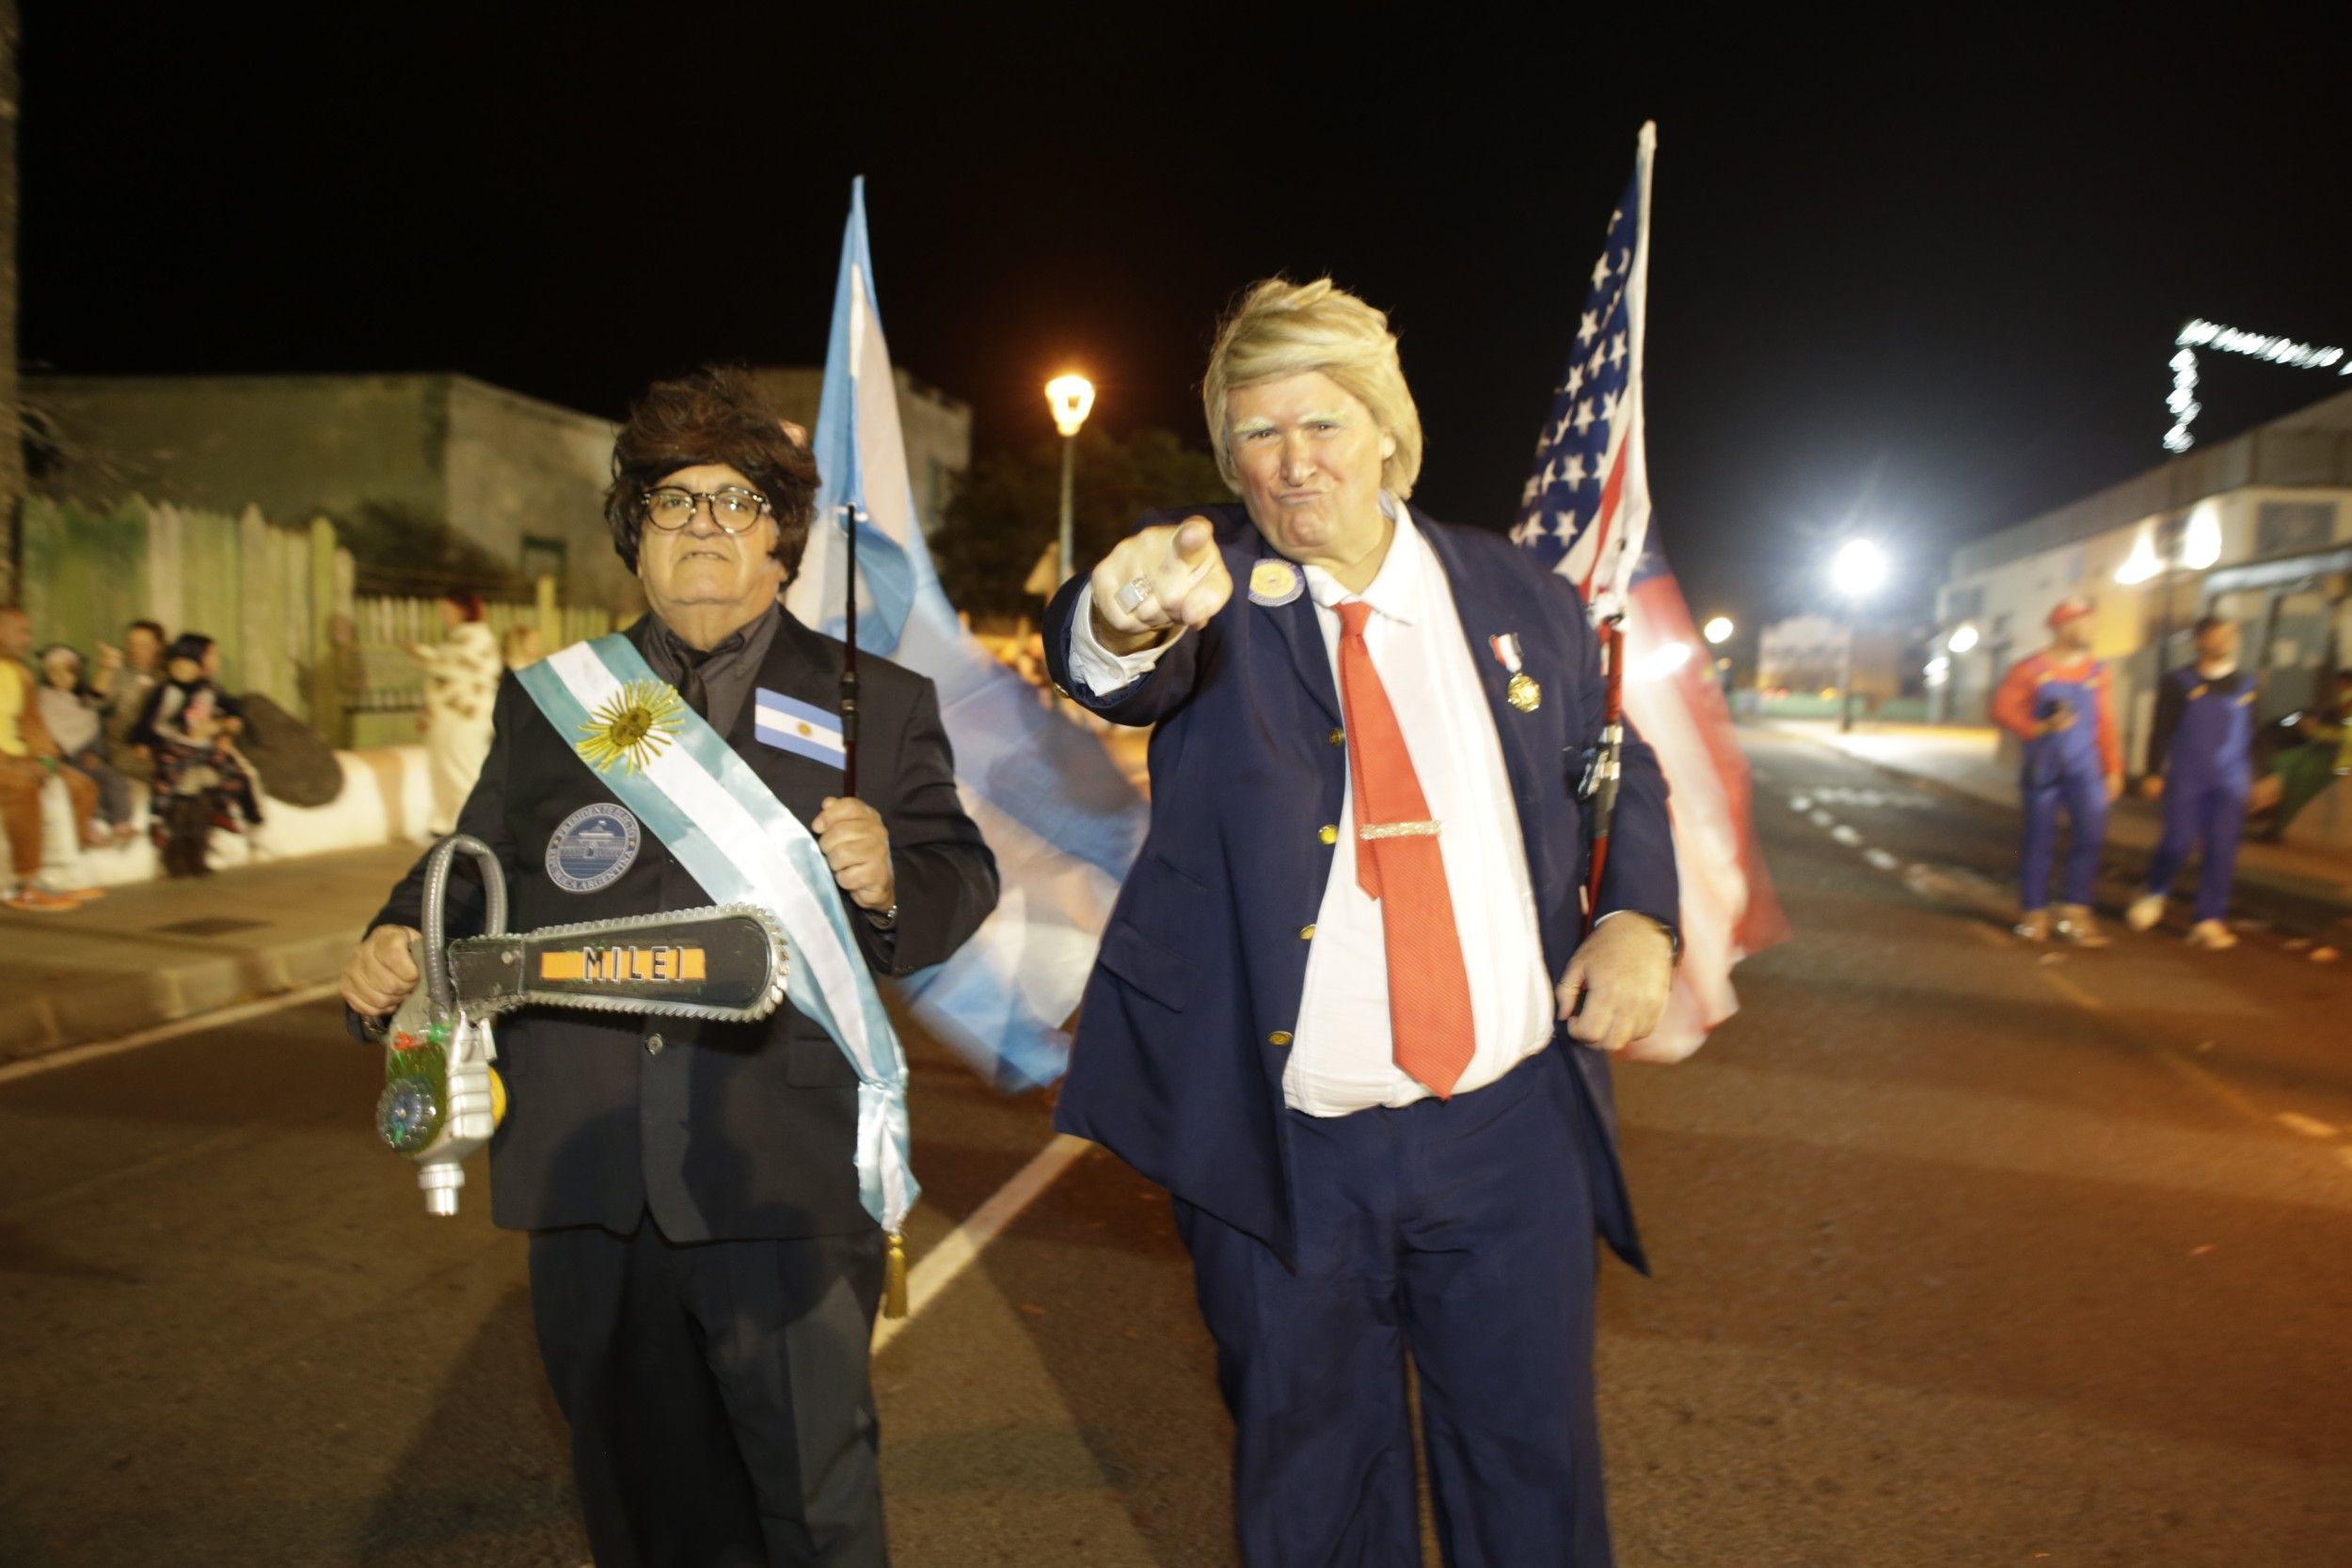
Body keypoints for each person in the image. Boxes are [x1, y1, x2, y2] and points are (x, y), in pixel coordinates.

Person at [1042, 279, 1678, 1567]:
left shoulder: (1519, 595)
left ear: (1386, 428)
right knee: (1314, 1478)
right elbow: (1109, 649)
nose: (1290, 462)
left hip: (1507, 1132)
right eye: (1256, 433)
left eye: (1320, 424)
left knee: (1531, 1467)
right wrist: (1119, 608)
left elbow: (1620, 762)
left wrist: (1634, 918)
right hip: (1285, 1151)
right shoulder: (1210, 583)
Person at [338, 366, 998, 1568]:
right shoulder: (554, 704)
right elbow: (474, 858)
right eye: (671, 503)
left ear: (782, 543)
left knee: (812, 1498)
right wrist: (398, 930)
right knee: (637, 1504)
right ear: (633, 537)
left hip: (778, 1174)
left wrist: (896, 876)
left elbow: (963, 873)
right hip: (588, 1168)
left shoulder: (875, 703)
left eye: (735, 503)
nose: (703, 527)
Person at [1991, 595, 2122, 944]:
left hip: (2086, 768)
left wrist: (2113, 768)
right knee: (2038, 839)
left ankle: (2075, 911)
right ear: (2061, 627)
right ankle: (2034, 912)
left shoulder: (2098, 672)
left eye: (2092, 622)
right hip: (2043, 768)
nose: (2090, 629)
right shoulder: (2030, 669)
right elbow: (2002, 710)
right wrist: (2037, 728)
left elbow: (2104, 722)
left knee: (2090, 837)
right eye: (2083, 623)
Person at [2126, 615, 2254, 949]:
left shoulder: (2248, 685)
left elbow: (2255, 734)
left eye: (2231, 634)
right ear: (2200, 641)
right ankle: (2154, 890)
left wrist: (2263, 777)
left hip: (2231, 781)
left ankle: (2208, 919)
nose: (2226, 640)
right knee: (2178, 842)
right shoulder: (2179, 682)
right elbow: (2161, 729)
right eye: (2217, 635)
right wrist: (2153, 771)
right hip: (2188, 777)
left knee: (2222, 850)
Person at [131, 633, 265, 877]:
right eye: (212, 654)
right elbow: (149, 722)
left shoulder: (209, 690)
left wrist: (226, 727)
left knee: (222, 777)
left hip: (202, 749)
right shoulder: (164, 691)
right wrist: (143, 742)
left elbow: (232, 711)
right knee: (178, 785)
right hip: (174, 748)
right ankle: (176, 853)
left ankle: (202, 847)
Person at [0, 606, 103, 911]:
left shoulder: (20, 673)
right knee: (22, 785)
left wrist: (45, 759)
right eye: (22, 632)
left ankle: (62, 875)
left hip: (19, 756)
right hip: (6, 764)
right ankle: (27, 885)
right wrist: (15, 764)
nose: (28, 640)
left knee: (80, 786)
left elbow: (32, 723)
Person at [407, 591, 502, 836]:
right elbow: (444, 674)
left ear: (461, 610)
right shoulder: (456, 639)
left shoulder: (477, 638)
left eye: (446, 610)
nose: (444, 616)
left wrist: (425, 656)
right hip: (447, 718)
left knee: (463, 770)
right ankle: (445, 824)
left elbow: (455, 672)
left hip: (466, 717)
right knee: (443, 773)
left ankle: (472, 826)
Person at [36, 643, 136, 844]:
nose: (62, 677)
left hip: (88, 756)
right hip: (61, 761)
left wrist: (107, 667)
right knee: (86, 787)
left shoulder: (83, 702)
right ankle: (93, 823)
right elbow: (41, 737)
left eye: (69, 672)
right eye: (55, 672)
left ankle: (120, 821)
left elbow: (96, 696)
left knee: (113, 779)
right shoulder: (43, 700)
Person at [2259, 668, 2352, 841]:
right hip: (2330, 757)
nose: (2340, 690)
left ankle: (2276, 827)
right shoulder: (2339, 706)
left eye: (2344, 686)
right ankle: (2271, 821)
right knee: (2286, 765)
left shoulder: (2346, 703)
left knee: (2297, 785)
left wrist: (2313, 731)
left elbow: (2344, 736)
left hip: (2340, 764)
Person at [91, 618, 166, 781]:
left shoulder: (166, 678)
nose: (135, 649)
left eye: (143, 645)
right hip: (121, 749)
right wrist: (106, 670)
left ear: (157, 647)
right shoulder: (119, 674)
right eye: (131, 643)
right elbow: (93, 703)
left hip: (157, 749)